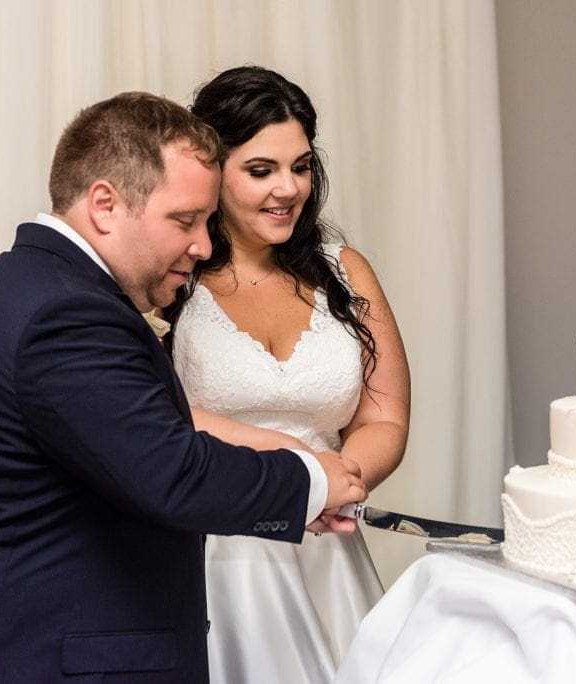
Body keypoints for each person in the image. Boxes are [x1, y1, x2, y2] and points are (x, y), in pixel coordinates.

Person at [0, 92, 367, 683]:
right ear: (106, 205)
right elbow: (171, 473)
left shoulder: (35, 285)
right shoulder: (65, 311)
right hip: (27, 661)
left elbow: (133, 461)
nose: (204, 245)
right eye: (185, 220)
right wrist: (311, 482)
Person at [161, 66, 411, 683]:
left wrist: (337, 484)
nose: (288, 189)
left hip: (328, 552)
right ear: (213, 171)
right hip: (214, 556)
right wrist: (296, 475)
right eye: (261, 170)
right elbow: (152, 414)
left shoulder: (344, 270)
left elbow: (384, 414)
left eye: (300, 166)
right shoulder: (169, 278)